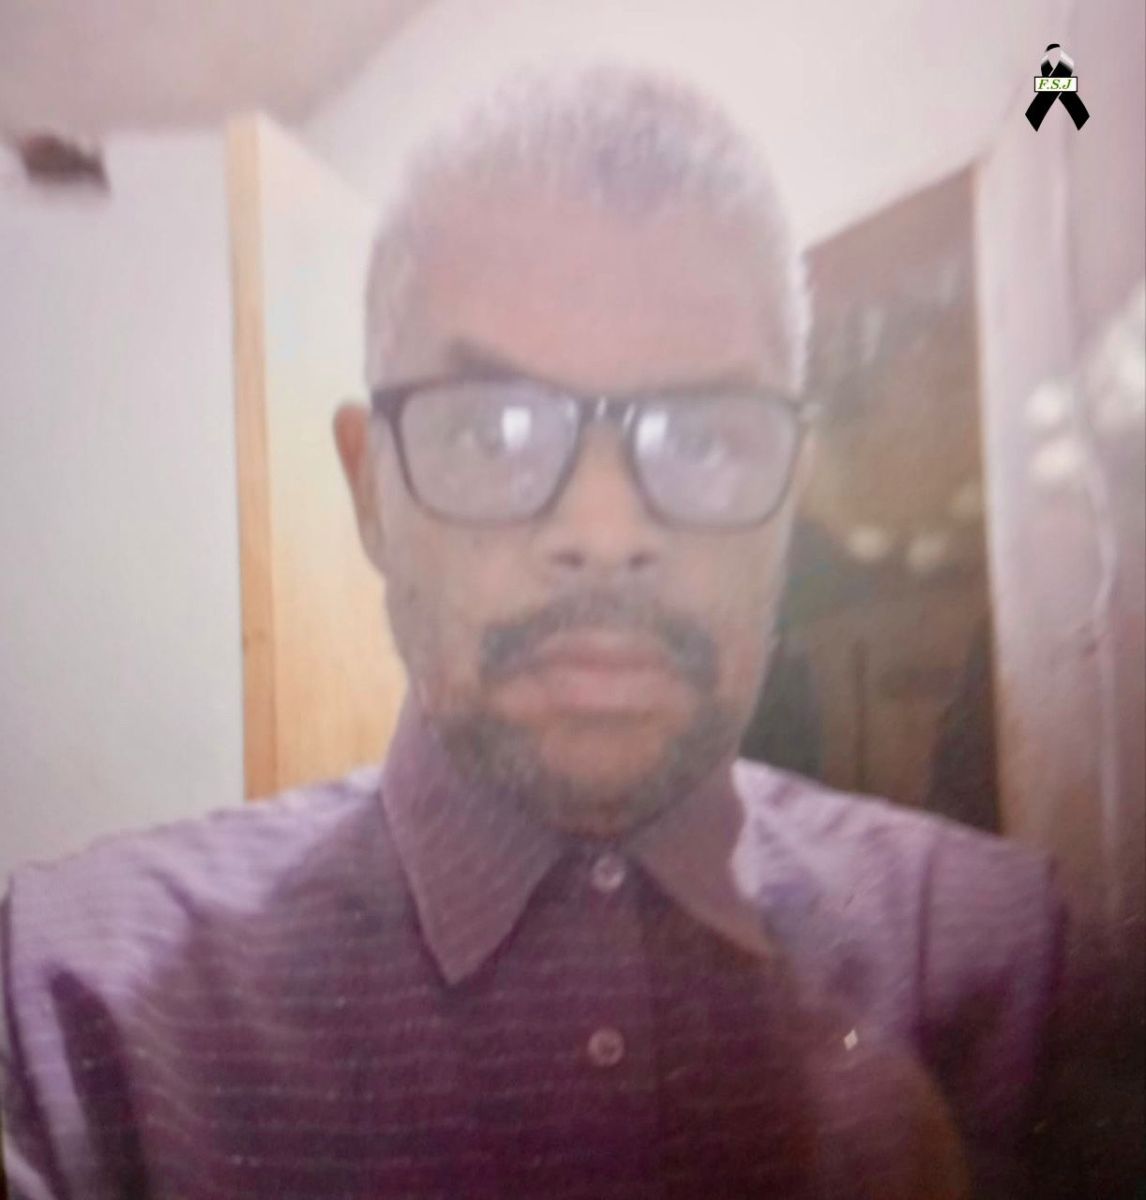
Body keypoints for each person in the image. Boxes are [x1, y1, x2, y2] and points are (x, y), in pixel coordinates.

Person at [1, 65, 1068, 1200]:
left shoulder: (1014, 963)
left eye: (704, 439)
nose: (604, 534)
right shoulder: (68, 1010)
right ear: (370, 493)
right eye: (492, 432)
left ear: (788, 496)